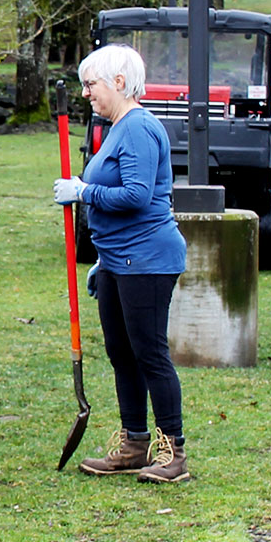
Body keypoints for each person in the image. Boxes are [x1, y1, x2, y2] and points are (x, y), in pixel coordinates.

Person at [54, 44, 190, 482]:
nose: (86, 94)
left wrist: (83, 192)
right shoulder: (115, 128)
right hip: (118, 260)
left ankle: (173, 453)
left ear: (118, 81)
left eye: (91, 84)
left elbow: (136, 196)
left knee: (149, 353)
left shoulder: (137, 128)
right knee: (121, 353)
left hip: (148, 258)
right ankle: (134, 443)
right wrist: (103, 261)